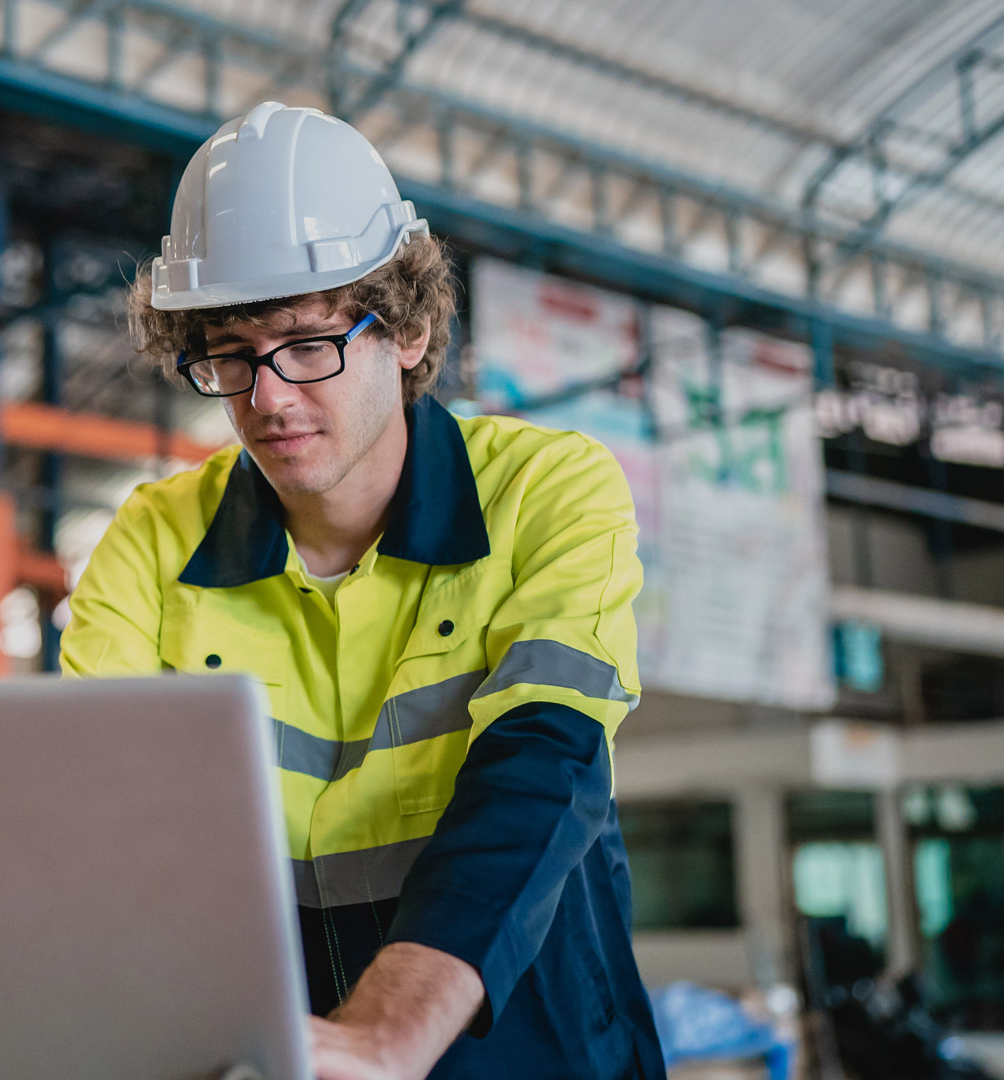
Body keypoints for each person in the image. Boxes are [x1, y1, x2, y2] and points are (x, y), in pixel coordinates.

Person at [61, 101, 665, 1080]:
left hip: (526, 1044)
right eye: (229, 351)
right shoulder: (151, 539)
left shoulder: (552, 490)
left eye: (307, 345)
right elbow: (100, 815)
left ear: (412, 331)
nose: (266, 397)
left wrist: (388, 1033)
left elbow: (542, 761)